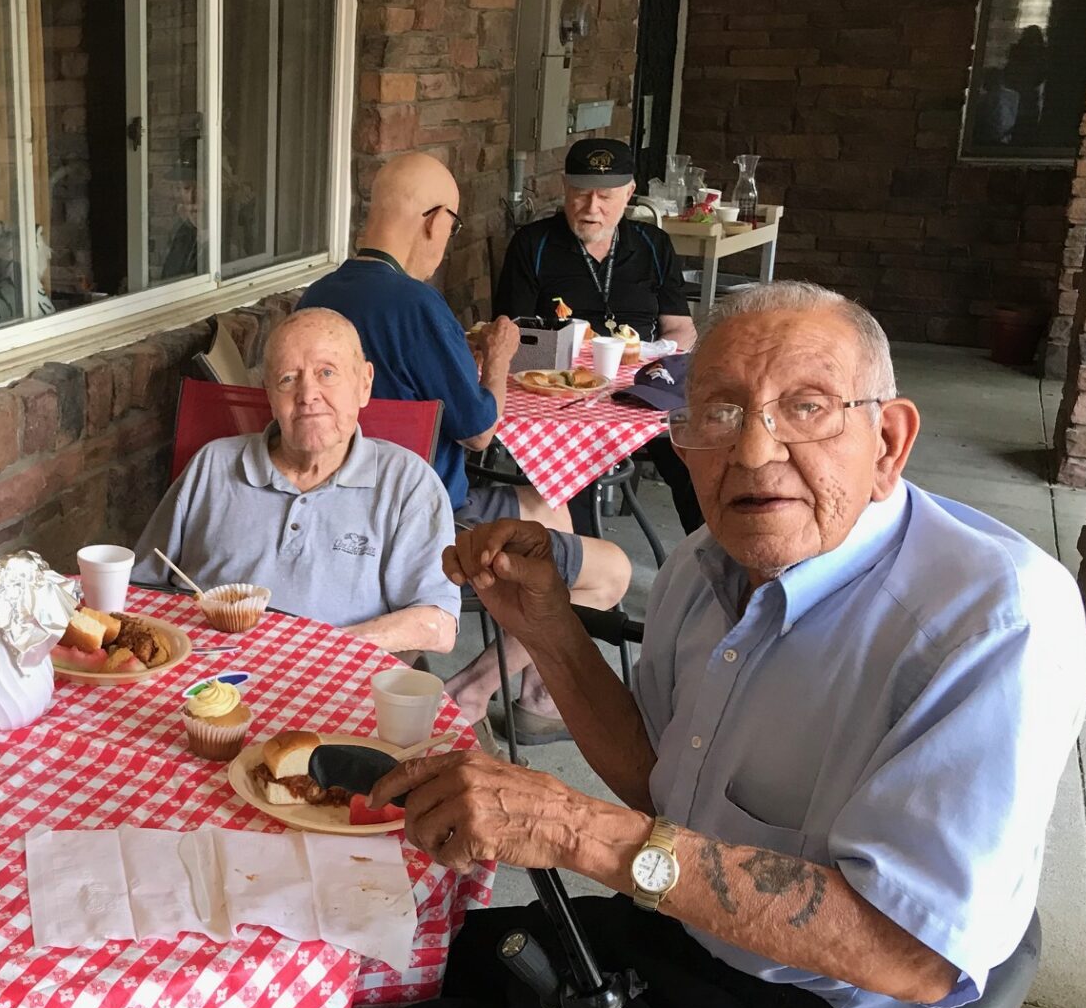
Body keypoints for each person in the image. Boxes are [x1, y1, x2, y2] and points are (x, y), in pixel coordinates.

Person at [308, 282, 1086, 1008]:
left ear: (888, 441)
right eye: (718, 412)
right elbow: (658, 782)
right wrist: (553, 632)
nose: (754, 451)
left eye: (806, 408)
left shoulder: (994, 615)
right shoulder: (707, 564)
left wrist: (582, 833)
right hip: (686, 949)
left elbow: (912, 952)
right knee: (373, 982)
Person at [301, 152, 632, 739]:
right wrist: (498, 361)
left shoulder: (316, 299)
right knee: (611, 573)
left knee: (546, 505)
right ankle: (475, 691)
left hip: (332, 509)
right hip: (427, 519)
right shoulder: (417, 303)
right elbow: (480, 430)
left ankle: (529, 689)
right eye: (450, 229)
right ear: (434, 222)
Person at [132, 307, 461, 655]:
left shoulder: (407, 483)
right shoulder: (213, 465)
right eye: (288, 378)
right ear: (269, 394)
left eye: (327, 373)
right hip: (202, 679)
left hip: (334, 683)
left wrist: (316, 651)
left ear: (364, 384)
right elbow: (140, 588)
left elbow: (437, 623)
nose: (308, 395)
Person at [494, 136, 704, 534]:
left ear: (629, 193)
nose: (592, 208)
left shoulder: (653, 245)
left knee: (696, 454)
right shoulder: (533, 244)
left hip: (645, 391)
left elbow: (680, 327)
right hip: (563, 394)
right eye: (581, 193)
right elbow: (512, 332)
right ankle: (584, 566)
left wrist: (657, 360)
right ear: (564, 188)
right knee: (570, 467)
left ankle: (713, 563)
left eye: (606, 196)